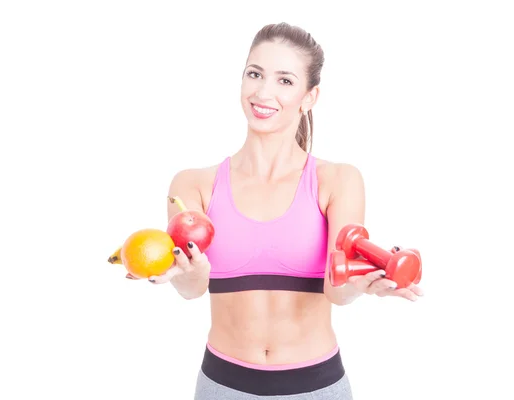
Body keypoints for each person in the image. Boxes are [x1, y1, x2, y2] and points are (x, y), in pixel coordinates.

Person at [135, 22, 424, 399]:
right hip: (223, 386)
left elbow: (337, 290)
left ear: (310, 96)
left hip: (316, 386)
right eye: (254, 74)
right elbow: (191, 289)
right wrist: (191, 272)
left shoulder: (338, 180)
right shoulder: (193, 185)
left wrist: (360, 285)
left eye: (285, 81)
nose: (263, 92)